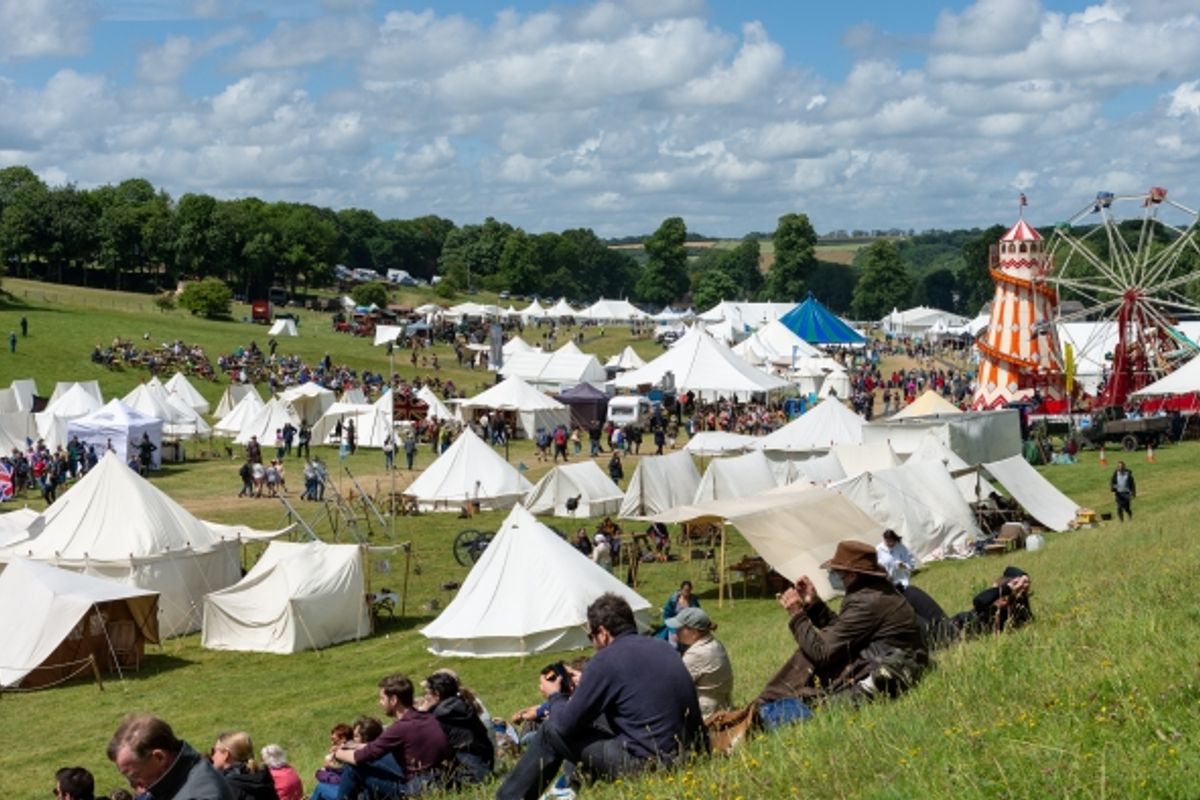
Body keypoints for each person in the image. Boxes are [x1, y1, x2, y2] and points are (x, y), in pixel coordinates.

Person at [496, 593, 706, 800]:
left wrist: (555, 696)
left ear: (603, 633)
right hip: (690, 756)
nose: (592, 644)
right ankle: (571, 783)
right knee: (594, 717)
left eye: (591, 637)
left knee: (551, 730)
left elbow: (564, 726)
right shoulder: (663, 648)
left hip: (649, 766)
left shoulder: (605, 659)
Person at [758, 540, 927, 727]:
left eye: (837, 571)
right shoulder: (874, 591)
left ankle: (763, 711)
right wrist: (813, 604)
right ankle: (764, 708)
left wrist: (797, 615)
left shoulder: (867, 601)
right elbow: (846, 632)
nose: (834, 575)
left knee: (807, 660)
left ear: (852, 575)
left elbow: (822, 653)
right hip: (890, 657)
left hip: (887, 666)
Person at [331, 673, 452, 798]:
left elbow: (359, 758)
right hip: (438, 781)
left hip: (413, 790)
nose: (380, 703)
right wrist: (355, 746)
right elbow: (377, 747)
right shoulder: (428, 718)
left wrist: (337, 753)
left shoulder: (400, 728)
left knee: (353, 767)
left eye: (382, 699)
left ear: (393, 700)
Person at [107, 713, 233, 800]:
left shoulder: (202, 795)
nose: (132, 785)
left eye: (134, 775)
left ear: (159, 757)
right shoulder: (168, 785)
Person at [423, 671, 494, 786]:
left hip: (469, 774)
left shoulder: (439, 715)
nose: (425, 698)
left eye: (427, 694)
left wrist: (422, 713)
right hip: (485, 765)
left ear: (437, 694)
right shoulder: (462, 705)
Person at [667, 607, 734, 717]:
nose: (676, 631)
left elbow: (675, 687)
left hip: (705, 715)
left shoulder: (695, 654)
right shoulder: (715, 643)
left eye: (679, 628)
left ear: (694, 632)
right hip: (723, 706)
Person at [211, 731, 279, 800]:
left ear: (226, 754)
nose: (212, 756)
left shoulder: (227, 787)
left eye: (214, 751)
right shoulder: (264, 779)